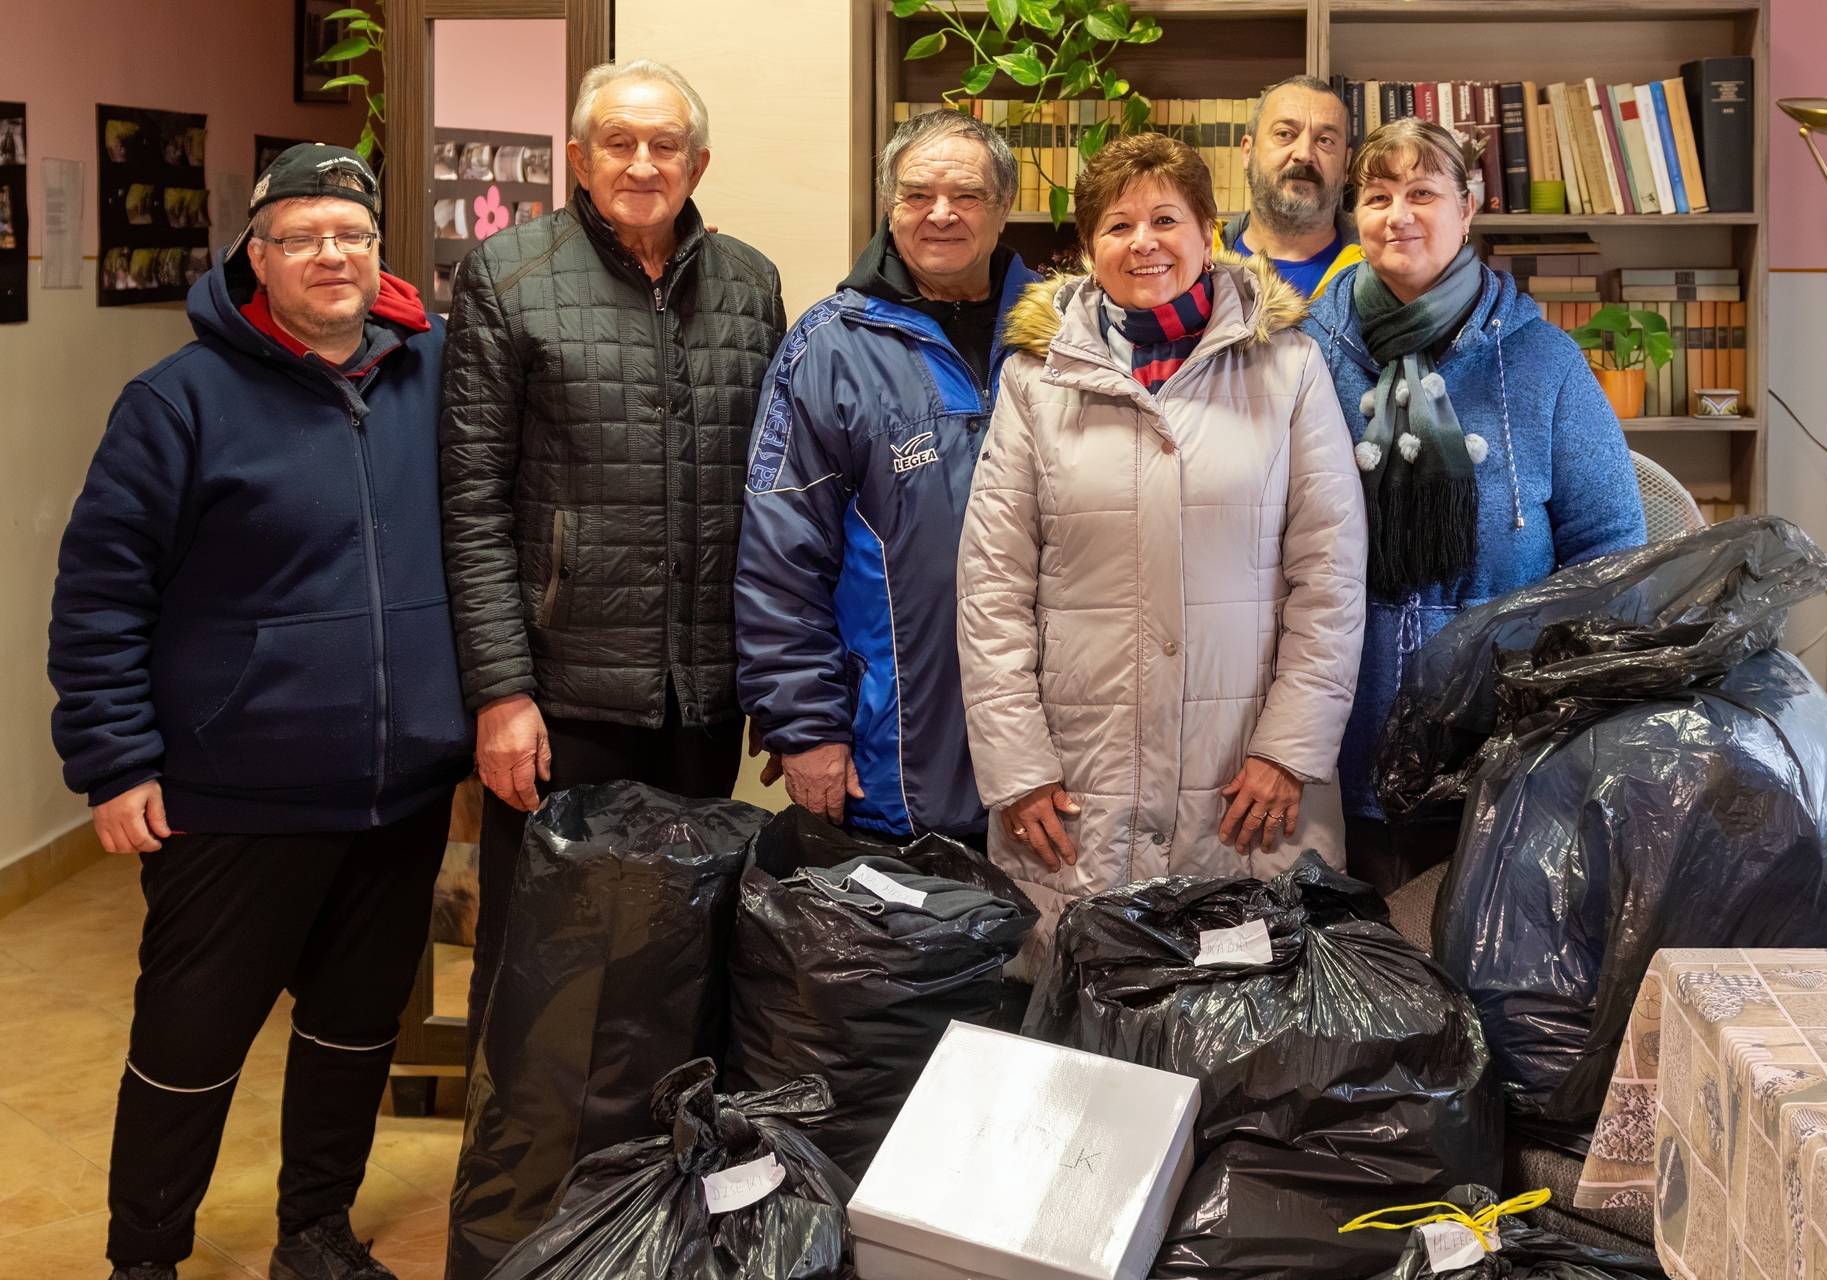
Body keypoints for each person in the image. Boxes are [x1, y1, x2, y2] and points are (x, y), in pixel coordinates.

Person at [47, 143, 470, 1280]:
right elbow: (98, 594)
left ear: (380, 250)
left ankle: (315, 1233)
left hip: (398, 790)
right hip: (232, 792)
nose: (331, 253)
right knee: (189, 1044)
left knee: (353, 1031)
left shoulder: (435, 381)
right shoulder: (177, 401)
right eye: (303, 235)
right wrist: (115, 760)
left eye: (353, 232)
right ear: (256, 255)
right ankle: (145, 1256)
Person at [957, 132, 1367, 966]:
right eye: (1116, 226)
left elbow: (1330, 575)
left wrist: (1287, 750)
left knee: (1244, 1039)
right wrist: (1018, 768)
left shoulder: (1289, 368)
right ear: (1085, 249)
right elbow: (991, 587)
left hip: (1245, 782)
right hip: (1077, 783)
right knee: (1081, 1039)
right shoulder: (1035, 384)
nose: (1142, 242)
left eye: (1165, 218)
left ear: (1209, 230)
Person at [439, 58, 785, 1040]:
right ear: (579, 158)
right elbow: (471, 501)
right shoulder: (508, 278)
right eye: (619, 143)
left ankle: (654, 1173)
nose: (642, 162)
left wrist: (767, 676)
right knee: (539, 954)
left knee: (681, 946)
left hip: (702, 697)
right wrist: (501, 695)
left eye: (664, 143)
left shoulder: (751, 283)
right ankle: (519, 1187)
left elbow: (772, 496)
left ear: (699, 161)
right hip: (563, 694)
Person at [1303, 119, 1646, 893]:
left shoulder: (1542, 359)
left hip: (1499, 741)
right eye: (1378, 195)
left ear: (1469, 206)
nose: (1399, 216)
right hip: (1334, 731)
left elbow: (1611, 547)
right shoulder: (1305, 355)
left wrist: (1549, 702)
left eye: (1423, 193)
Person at [734, 110, 1039, 842]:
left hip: (1055, 766)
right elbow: (781, 557)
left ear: (1002, 208)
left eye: (965, 195)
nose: (940, 214)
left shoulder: (1068, 338)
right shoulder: (829, 348)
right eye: (916, 195)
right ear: (888, 206)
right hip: (890, 762)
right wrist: (805, 726)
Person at [1215, 75, 1364, 302]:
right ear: (1248, 151)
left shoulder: (1380, 273)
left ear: (1346, 163)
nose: (1304, 154)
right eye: (1285, 134)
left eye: (1325, 140)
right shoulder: (1195, 267)